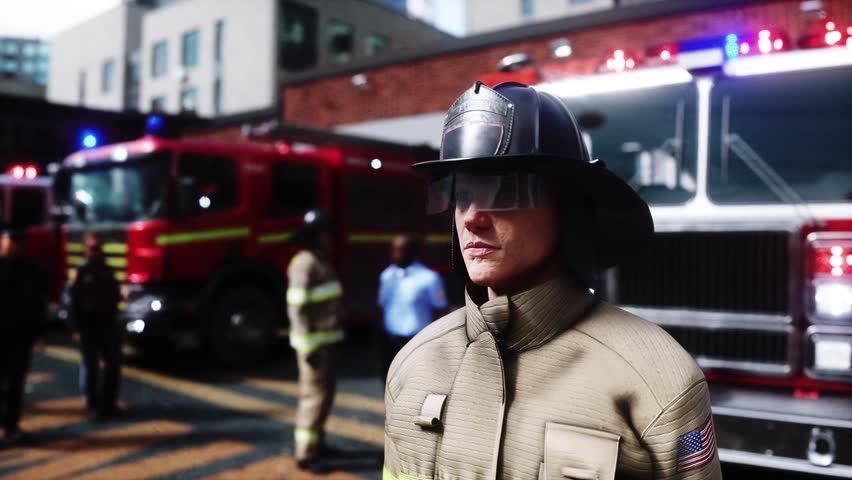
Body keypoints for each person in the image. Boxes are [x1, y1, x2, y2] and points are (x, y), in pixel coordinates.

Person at [383, 82, 722, 479]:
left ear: (568, 208)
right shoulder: (413, 363)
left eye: (504, 189)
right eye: (460, 192)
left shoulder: (657, 380)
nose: (472, 217)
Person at [286, 209, 344, 471]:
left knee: (325, 395)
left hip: (325, 343)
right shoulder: (305, 262)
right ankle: (306, 454)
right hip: (314, 346)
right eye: (326, 234)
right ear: (317, 236)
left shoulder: (319, 260)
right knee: (313, 397)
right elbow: (297, 308)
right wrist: (308, 347)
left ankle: (317, 442)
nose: (329, 239)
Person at [0, 230, 47, 447]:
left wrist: (38, 334)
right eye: (7, 241)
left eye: (14, 242)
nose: (10, 246)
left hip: (20, 337)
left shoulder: (30, 269)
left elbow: (38, 304)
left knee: (15, 384)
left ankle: (11, 426)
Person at [378, 234, 447, 381]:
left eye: (400, 249)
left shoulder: (429, 277)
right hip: (391, 340)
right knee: (389, 381)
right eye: (394, 249)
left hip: (416, 340)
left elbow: (440, 310)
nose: (396, 254)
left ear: (412, 252)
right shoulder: (387, 276)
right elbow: (382, 307)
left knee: (415, 381)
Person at [69, 232, 122, 420]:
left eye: (98, 248)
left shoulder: (107, 271)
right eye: (92, 248)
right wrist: (76, 328)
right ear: (85, 250)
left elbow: (116, 296)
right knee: (90, 367)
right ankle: (92, 405)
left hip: (108, 325)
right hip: (88, 327)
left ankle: (109, 403)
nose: (96, 252)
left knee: (113, 365)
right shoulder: (80, 272)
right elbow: (73, 302)